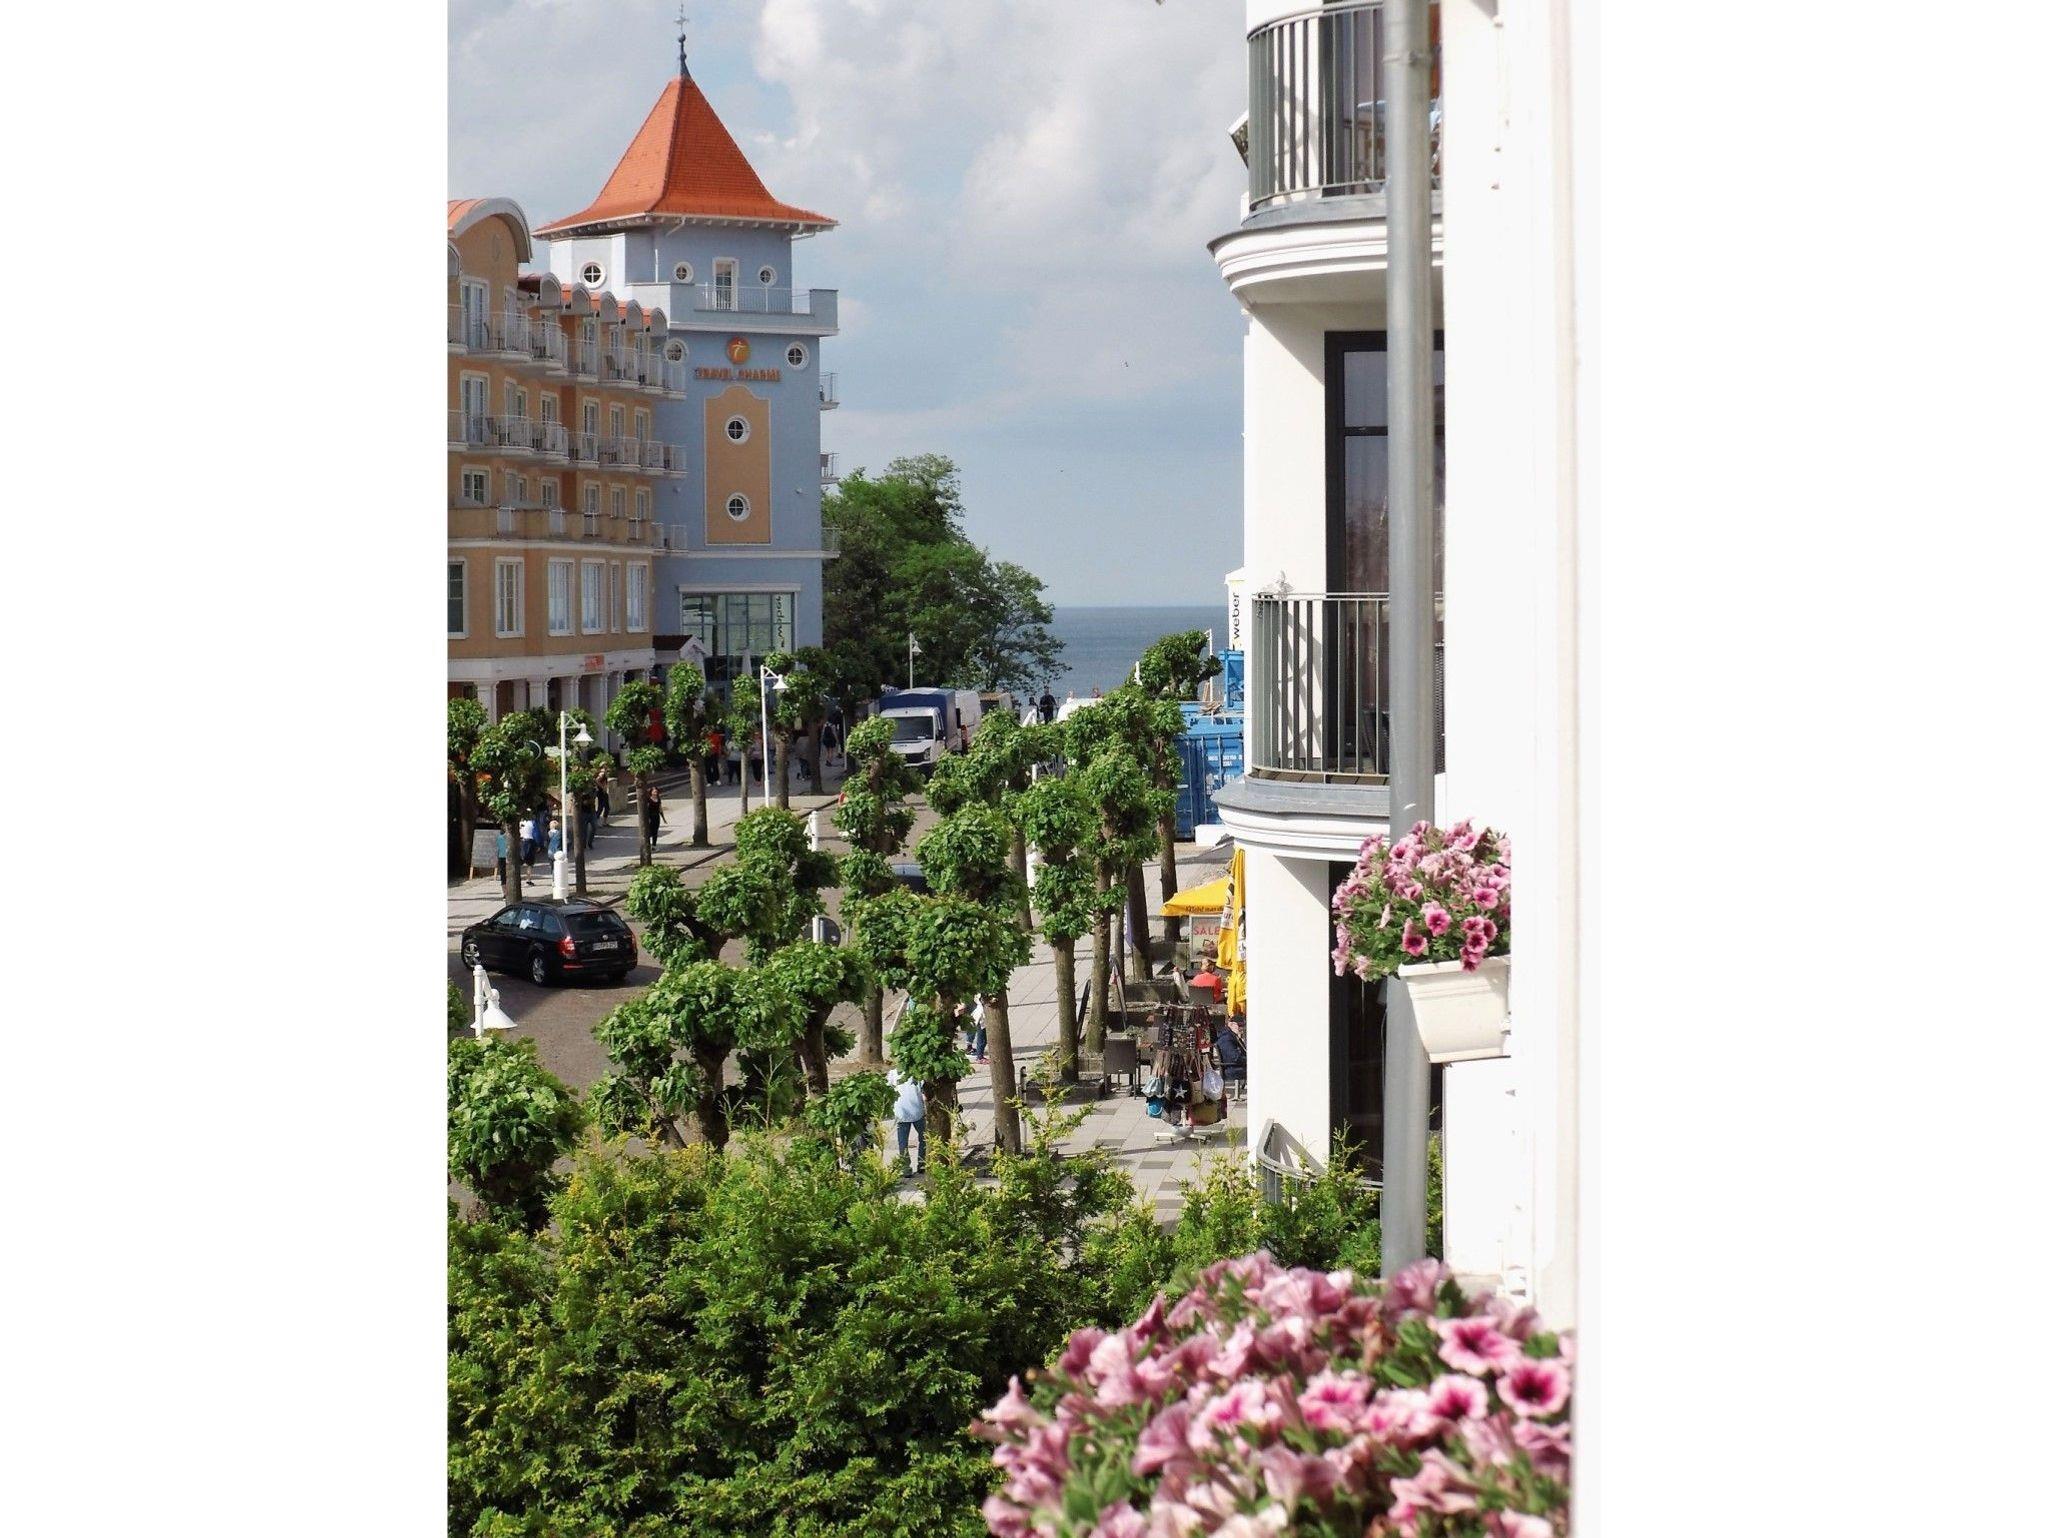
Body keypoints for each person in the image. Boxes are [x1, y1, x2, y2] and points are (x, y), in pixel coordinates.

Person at [889, 1066, 926, 1175]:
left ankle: (906, 1168)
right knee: (924, 1138)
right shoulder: (917, 1072)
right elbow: (923, 1091)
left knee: (903, 1142)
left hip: (901, 1112)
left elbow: (888, 1090)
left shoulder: (892, 1074)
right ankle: (922, 1163)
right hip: (917, 1111)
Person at [968, 996, 988, 1063]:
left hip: (979, 1017)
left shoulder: (978, 1001)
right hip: (980, 1019)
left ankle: (979, 1056)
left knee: (982, 1039)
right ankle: (979, 1057)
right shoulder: (980, 1004)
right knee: (982, 1039)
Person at [645, 784, 665, 850]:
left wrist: (663, 818)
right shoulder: (648, 799)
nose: (655, 793)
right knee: (650, 832)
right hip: (650, 817)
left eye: (656, 791)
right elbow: (646, 809)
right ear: (651, 792)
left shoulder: (658, 799)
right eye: (654, 791)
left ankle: (654, 846)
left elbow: (660, 808)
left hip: (656, 817)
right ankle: (646, 844)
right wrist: (647, 818)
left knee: (655, 832)